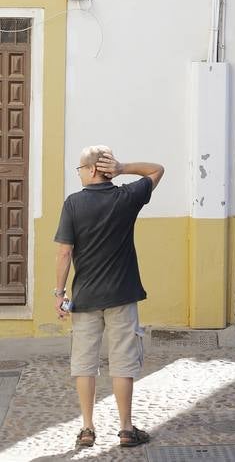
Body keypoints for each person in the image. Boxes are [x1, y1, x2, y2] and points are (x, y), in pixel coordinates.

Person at [54, 146, 164, 449]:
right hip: (122, 296)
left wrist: (59, 293)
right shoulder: (126, 197)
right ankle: (126, 429)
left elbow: (64, 252)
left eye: (80, 169)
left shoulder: (73, 204)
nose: (79, 174)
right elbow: (157, 169)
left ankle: (87, 428)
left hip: (85, 297)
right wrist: (123, 167)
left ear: (91, 170)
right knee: (123, 363)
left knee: (84, 363)